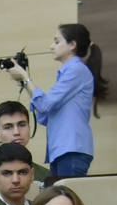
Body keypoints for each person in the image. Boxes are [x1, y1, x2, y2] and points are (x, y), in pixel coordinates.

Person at [7, 24, 106, 177]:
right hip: (63, 150)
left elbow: (45, 105)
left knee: (65, 192)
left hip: (71, 149)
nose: (51, 46)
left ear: (72, 45)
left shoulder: (76, 70)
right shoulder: (70, 72)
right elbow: (46, 114)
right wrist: (24, 82)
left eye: (57, 41)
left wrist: (25, 77)